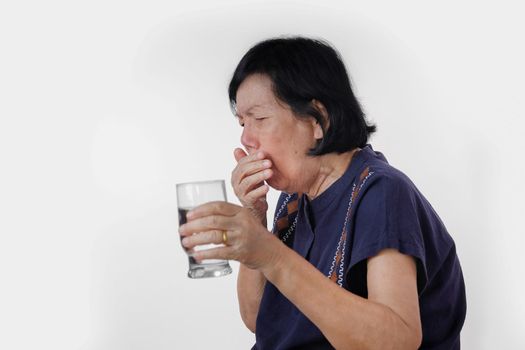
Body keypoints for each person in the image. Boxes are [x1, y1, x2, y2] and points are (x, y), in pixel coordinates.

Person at [179, 37, 466, 349]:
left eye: (259, 119)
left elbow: (397, 340)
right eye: (242, 123)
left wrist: (269, 253)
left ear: (318, 120)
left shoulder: (381, 192)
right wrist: (254, 215)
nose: (246, 138)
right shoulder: (295, 199)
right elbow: (256, 318)